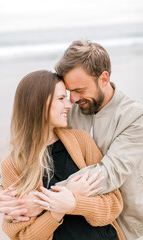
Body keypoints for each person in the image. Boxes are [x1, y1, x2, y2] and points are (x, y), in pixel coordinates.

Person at [0, 70, 124, 240]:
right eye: (60, 99)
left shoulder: (82, 141)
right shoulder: (13, 165)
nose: (69, 105)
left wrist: (74, 202)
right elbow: (24, 236)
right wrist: (57, 209)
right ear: (38, 104)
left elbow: (113, 205)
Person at [54, 40, 143, 240]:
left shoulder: (135, 116)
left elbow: (109, 172)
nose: (73, 99)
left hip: (127, 229)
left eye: (79, 90)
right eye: (69, 92)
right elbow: (32, 138)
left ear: (104, 78)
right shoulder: (69, 111)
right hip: (79, 226)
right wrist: (2, 187)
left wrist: (46, 196)